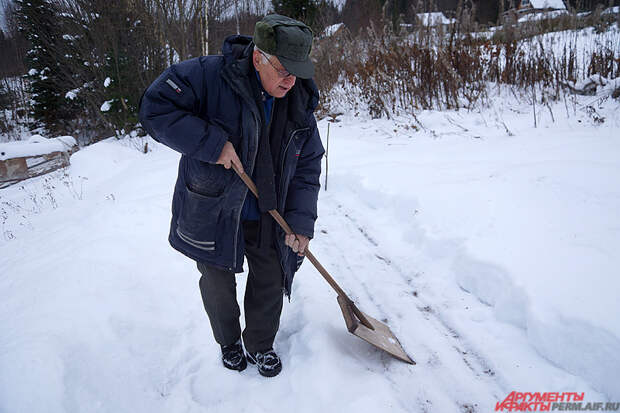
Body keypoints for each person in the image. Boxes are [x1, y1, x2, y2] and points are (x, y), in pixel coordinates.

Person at [138, 14, 324, 378]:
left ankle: (260, 344)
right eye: (284, 70)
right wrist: (210, 143)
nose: (291, 80)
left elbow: (308, 165)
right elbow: (155, 108)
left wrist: (301, 223)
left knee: (270, 277)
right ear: (258, 58)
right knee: (217, 282)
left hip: (270, 210)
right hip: (213, 207)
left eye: (298, 70)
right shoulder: (206, 76)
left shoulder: (298, 97)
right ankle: (228, 342)